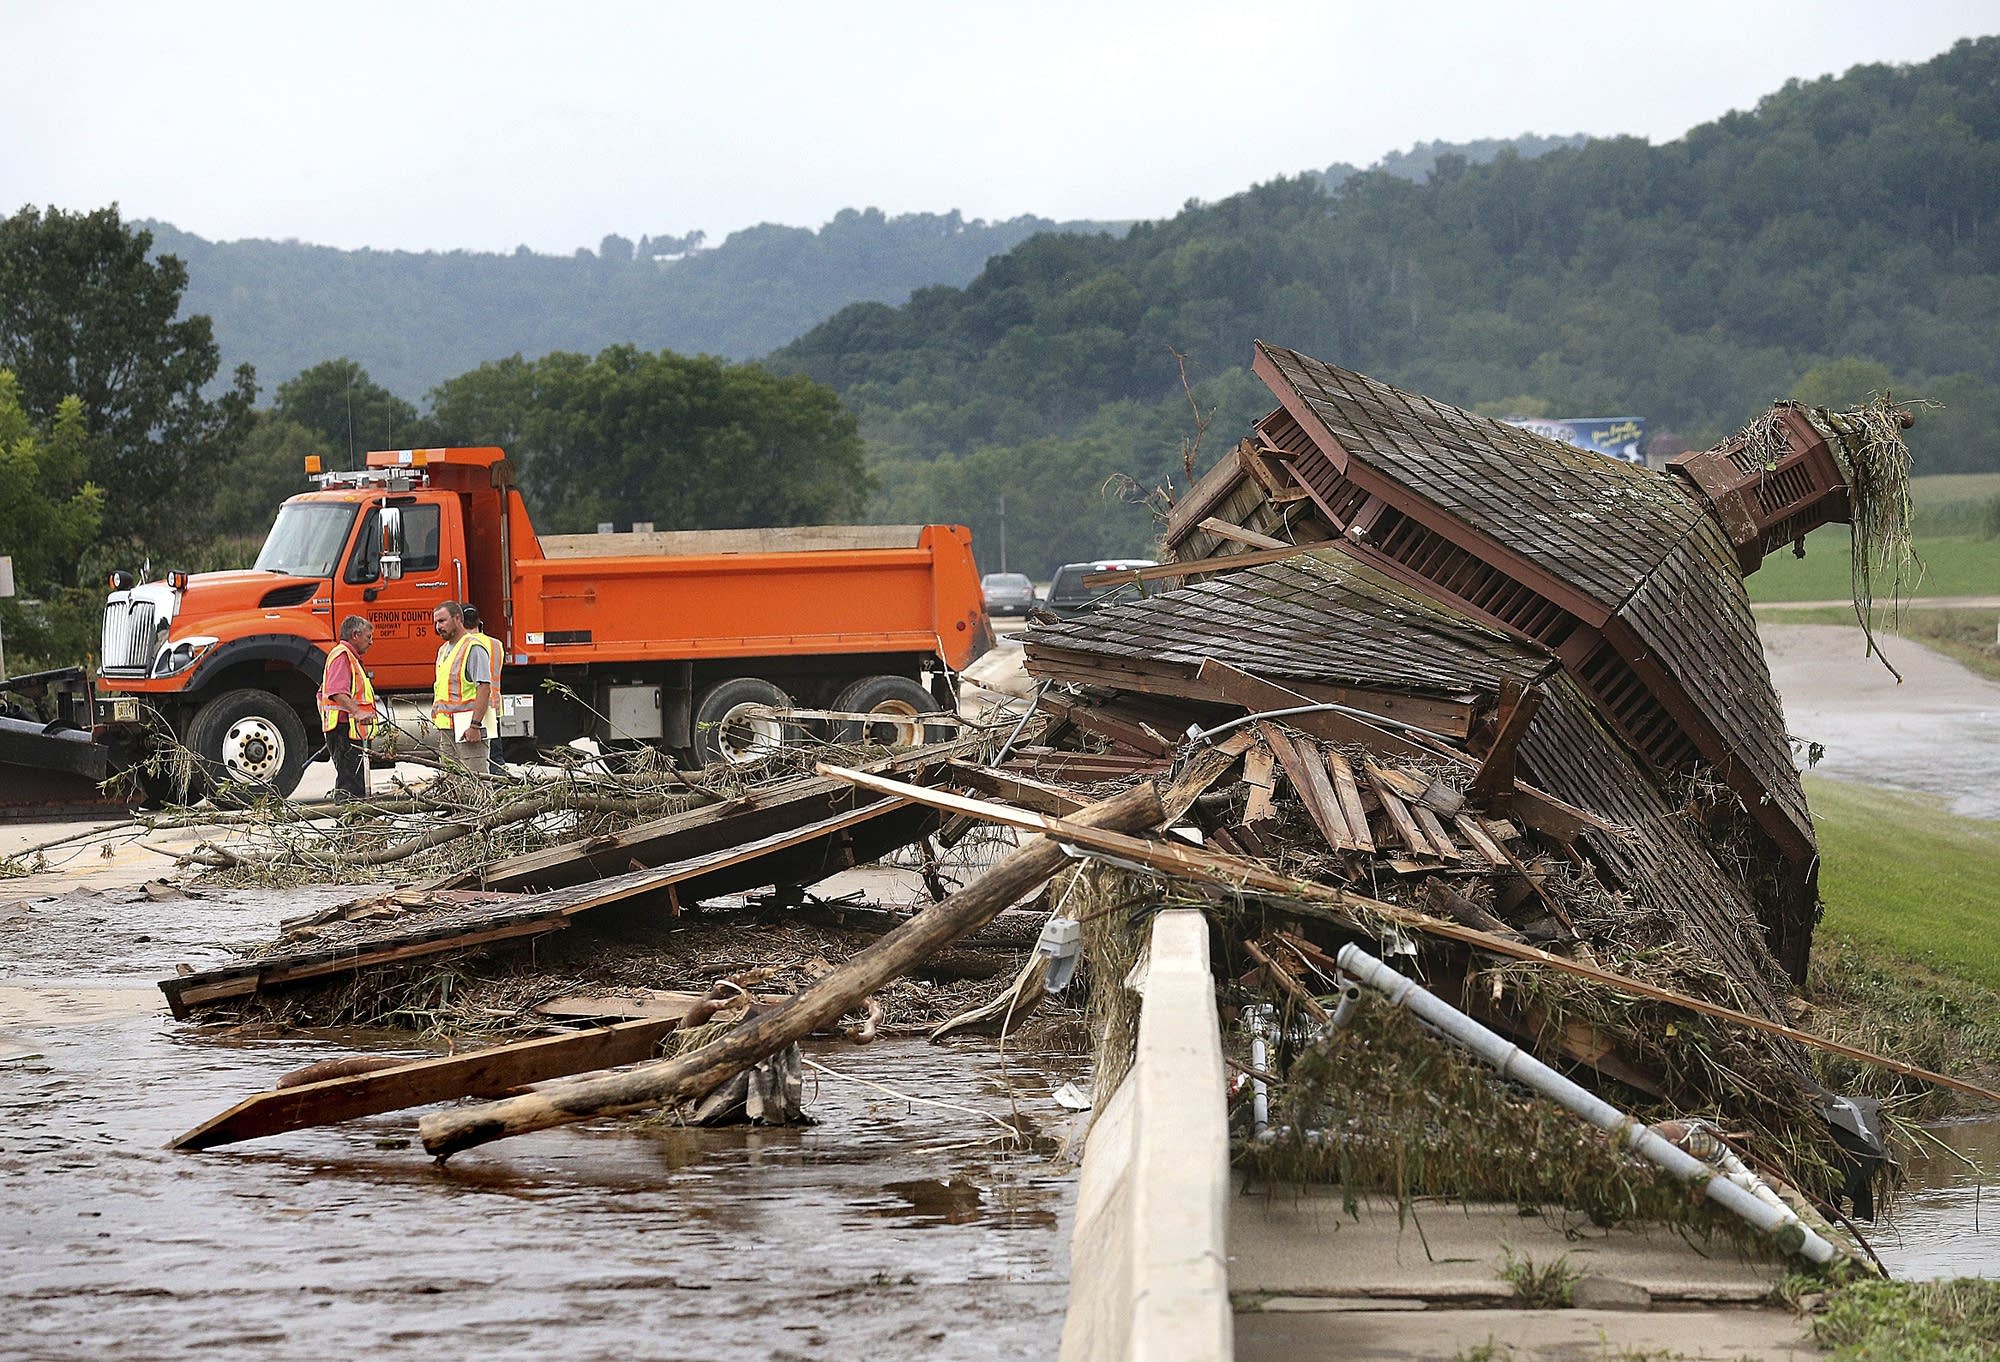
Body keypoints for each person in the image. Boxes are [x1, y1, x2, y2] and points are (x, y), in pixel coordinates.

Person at [316, 615, 378, 800]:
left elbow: (321, 693)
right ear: (355, 635)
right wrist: (357, 712)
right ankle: (348, 815)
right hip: (344, 730)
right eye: (368, 637)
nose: (371, 642)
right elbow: (336, 691)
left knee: (353, 781)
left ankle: (353, 814)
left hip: (346, 730)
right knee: (350, 785)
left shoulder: (346, 656)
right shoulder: (342, 656)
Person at [430, 600, 493, 775]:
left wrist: (475, 725)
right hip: (448, 728)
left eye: (442, 621)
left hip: (468, 727)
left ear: (457, 619)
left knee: (475, 780)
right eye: (436, 622)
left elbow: (484, 688)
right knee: (451, 782)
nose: (438, 627)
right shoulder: (443, 650)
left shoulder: (473, 647)